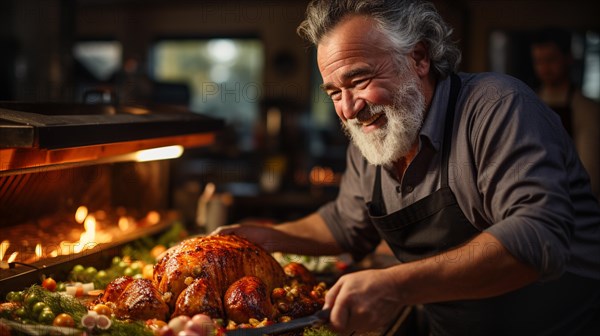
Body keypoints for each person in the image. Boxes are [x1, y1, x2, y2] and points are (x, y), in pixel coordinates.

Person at [214, 0, 600, 334]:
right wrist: (260, 239)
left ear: (418, 57)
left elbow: (538, 235)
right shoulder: (375, 135)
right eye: (334, 92)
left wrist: (396, 285)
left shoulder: (497, 107)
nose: (348, 110)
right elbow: (344, 222)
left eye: (360, 80)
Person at [530, 27, 600, 200]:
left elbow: (590, 173)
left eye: (551, 59)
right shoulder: (529, 103)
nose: (545, 68)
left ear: (568, 59)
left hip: (574, 203)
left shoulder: (586, 109)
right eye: (539, 61)